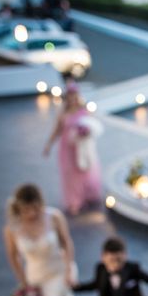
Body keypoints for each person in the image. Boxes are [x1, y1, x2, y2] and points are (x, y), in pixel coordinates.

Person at [43, 81, 103, 216]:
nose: (73, 99)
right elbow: (57, 130)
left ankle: (88, 196)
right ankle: (74, 202)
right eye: (70, 96)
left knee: (85, 173)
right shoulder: (63, 113)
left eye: (75, 96)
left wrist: (86, 132)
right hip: (67, 149)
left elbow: (93, 126)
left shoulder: (85, 110)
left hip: (82, 148)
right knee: (70, 177)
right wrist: (48, 145)